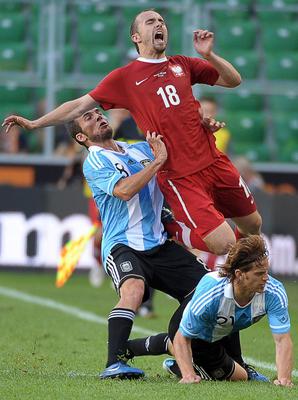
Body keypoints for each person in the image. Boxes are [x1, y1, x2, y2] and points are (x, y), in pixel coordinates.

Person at [3, 9, 262, 257]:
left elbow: (233, 80)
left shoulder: (182, 64)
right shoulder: (124, 78)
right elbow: (77, 106)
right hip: (180, 175)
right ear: (136, 37)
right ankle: (172, 229)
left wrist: (209, 55)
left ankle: (249, 285)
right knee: (225, 244)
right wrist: (35, 124)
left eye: (161, 20)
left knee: (253, 226)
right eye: (150, 22)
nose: (159, 24)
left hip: (214, 161)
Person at [66, 108, 211, 380]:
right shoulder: (95, 161)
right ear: (81, 137)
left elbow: (178, 144)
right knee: (133, 290)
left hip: (159, 243)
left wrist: (201, 126)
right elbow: (123, 190)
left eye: (98, 112)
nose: (97, 115)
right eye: (88, 117)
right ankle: (114, 362)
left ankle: (189, 353)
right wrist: (157, 163)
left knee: (210, 292)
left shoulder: (140, 148)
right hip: (123, 244)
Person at [125, 235, 293, 386]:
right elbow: (183, 337)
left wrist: (284, 379)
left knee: (240, 367)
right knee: (240, 377)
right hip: (191, 332)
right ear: (240, 274)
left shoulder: (273, 291)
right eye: (259, 273)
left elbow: (282, 340)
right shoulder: (213, 293)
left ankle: (133, 348)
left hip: (225, 328)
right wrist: (189, 375)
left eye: (266, 272)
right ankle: (184, 365)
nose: (266, 278)